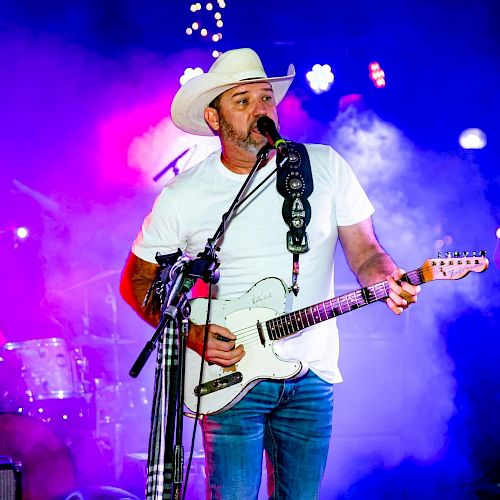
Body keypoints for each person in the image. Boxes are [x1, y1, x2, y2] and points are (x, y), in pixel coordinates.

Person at [120, 48, 420, 499]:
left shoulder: (323, 167)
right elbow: (136, 281)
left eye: (266, 98)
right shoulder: (184, 195)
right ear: (214, 118)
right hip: (227, 378)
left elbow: (366, 252)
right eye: (243, 101)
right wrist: (191, 335)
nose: (261, 109)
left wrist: (385, 276)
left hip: (312, 374)